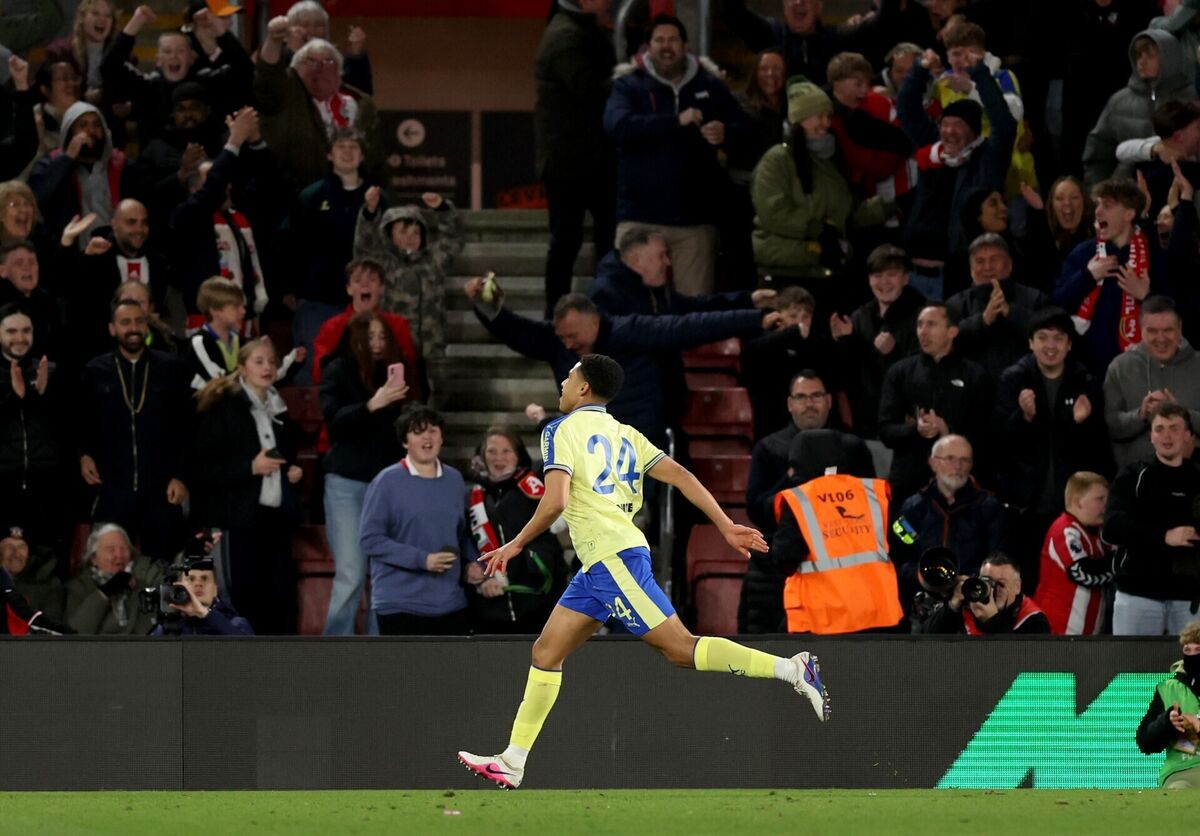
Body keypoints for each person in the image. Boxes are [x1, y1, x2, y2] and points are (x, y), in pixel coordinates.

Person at [457, 354, 829, 790]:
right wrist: (725, 524)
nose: (562, 382)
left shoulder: (559, 430)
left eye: (569, 377)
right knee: (546, 652)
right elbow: (683, 476)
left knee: (679, 649)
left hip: (613, 558)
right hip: (602, 562)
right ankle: (512, 761)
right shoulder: (626, 433)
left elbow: (555, 500)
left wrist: (516, 543)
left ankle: (792, 669)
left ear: (583, 389)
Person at [468, 280, 774, 449]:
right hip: (586, 448)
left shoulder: (630, 332)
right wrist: (485, 304)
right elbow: (516, 330)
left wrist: (755, 318)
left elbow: (690, 326)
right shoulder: (556, 341)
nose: (568, 345)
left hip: (635, 444)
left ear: (594, 321)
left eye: (573, 336)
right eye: (562, 338)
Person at [604, 14, 750, 295]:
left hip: (694, 222)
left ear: (684, 45)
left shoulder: (710, 85)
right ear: (648, 47)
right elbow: (617, 126)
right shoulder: (628, 85)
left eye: (672, 40)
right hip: (640, 216)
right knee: (630, 303)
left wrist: (725, 132)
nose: (666, 46)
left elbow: (746, 130)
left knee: (694, 313)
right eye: (659, 40)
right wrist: (675, 121)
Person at [191, 338, 303, 635]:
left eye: (272, 362)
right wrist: (250, 467)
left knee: (281, 599)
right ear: (241, 368)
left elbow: (286, 452)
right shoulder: (223, 409)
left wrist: (291, 469)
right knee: (245, 600)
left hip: (276, 518)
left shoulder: (278, 407)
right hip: (239, 519)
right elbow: (205, 470)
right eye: (259, 361)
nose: (268, 367)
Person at [750, 76, 888, 312]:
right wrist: (820, 231)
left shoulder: (831, 160)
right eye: (819, 115)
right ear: (799, 118)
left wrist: (887, 206)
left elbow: (847, 213)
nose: (826, 123)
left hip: (825, 270)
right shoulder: (776, 161)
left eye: (828, 115)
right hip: (785, 271)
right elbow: (775, 213)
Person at [995, 308, 1111, 582]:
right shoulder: (1013, 379)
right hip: (1024, 506)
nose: (1050, 346)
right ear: (1030, 342)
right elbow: (999, 441)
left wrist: (1080, 423)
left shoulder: (1086, 382)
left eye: (1058, 339)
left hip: (1072, 506)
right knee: (1026, 578)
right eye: (1043, 337)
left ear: (1069, 344)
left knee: (1068, 581)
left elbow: (1098, 449)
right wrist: (1024, 418)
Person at [319, 311, 415, 636]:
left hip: (387, 483)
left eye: (382, 337)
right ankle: (334, 655)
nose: (376, 344)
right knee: (351, 572)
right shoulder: (337, 369)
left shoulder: (394, 374)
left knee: (384, 572)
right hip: (347, 483)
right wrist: (371, 405)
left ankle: (379, 652)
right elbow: (333, 422)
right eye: (370, 337)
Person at [896, 47, 1017, 302]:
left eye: (957, 125)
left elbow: (1004, 124)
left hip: (957, 276)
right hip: (914, 272)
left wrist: (980, 75)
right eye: (945, 125)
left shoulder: (987, 159)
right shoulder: (932, 150)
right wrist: (920, 68)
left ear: (973, 132)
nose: (948, 132)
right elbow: (906, 110)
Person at [78, 298, 190, 562]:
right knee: (110, 564)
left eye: (139, 321)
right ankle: (116, 606)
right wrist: (83, 454)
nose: (133, 328)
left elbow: (187, 428)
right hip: (114, 487)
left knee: (165, 567)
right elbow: (83, 422)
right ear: (112, 328)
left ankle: (163, 606)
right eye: (125, 322)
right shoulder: (95, 370)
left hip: (162, 489)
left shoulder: (170, 368)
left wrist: (182, 476)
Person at [764, 428, 901, 634]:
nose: (791, 473)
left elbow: (785, 556)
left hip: (822, 620)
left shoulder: (799, 500)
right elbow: (905, 538)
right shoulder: (873, 492)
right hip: (878, 616)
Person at [359, 405, 477, 635]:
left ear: (441, 438)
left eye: (432, 430)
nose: (427, 437)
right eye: (417, 431)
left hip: (450, 602)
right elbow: (370, 540)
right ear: (405, 442)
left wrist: (474, 563)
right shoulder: (386, 482)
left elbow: (461, 533)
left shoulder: (454, 480)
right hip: (400, 604)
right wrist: (422, 560)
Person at [534, 0, 616, 318]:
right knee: (569, 242)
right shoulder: (566, 36)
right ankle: (557, 315)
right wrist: (623, 79)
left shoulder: (575, 30)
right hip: (571, 161)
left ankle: (587, 310)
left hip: (582, 158)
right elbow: (590, 91)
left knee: (587, 241)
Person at [877, 303, 992, 504]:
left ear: (952, 331)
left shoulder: (975, 375)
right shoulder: (900, 372)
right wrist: (915, 430)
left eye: (931, 324)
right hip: (908, 486)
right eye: (920, 325)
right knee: (902, 534)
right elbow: (885, 430)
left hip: (957, 489)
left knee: (953, 535)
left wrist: (947, 431)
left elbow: (985, 435)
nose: (923, 331)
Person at [254, 15, 382, 194]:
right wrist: (274, 40)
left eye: (329, 61)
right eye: (311, 61)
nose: (320, 67)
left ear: (339, 71)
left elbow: (378, 164)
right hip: (292, 196)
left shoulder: (360, 104)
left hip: (353, 195)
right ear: (294, 70)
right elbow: (268, 75)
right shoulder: (284, 96)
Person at [1104, 402, 1200, 635]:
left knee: (1191, 671)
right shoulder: (1132, 475)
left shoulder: (1198, 478)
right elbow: (1112, 528)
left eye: (1174, 428)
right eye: (1159, 429)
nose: (1166, 435)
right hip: (1138, 595)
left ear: (1188, 435)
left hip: (1188, 598)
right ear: (1151, 436)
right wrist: (1164, 536)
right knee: (1132, 670)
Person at [1054, 178, 1163, 377]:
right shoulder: (1084, 253)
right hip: (1089, 372)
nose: (1098, 212)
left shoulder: (1154, 254)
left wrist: (1145, 296)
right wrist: (1087, 277)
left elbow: (1177, 314)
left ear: (1129, 214)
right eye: (1097, 205)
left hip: (1143, 370)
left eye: (1107, 206)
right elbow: (1055, 306)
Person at [465, 426, 569, 634]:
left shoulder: (535, 486)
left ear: (518, 454)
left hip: (539, 601)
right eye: (492, 451)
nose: (498, 458)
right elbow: (468, 540)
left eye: (506, 451)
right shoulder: (473, 495)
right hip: (491, 606)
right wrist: (481, 576)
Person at [889, 434, 1008, 610]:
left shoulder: (989, 508)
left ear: (971, 465)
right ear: (933, 463)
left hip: (972, 603)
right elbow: (900, 557)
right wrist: (925, 576)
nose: (957, 466)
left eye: (964, 460)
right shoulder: (913, 508)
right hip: (924, 603)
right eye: (950, 459)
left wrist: (965, 582)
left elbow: (998, 559)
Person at [354, 185, 463, 358]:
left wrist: (442, 209)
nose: (410, 238)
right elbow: (363, 247)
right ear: (389, 234)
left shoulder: (434, 260)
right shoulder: (382, 263)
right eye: (403, 231)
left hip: (431, 351)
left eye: (416, 232)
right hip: (392, 349)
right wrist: (370, 213)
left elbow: (452, 239)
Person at [830, 244, 925, 438]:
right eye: (877, 275)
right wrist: (844, 342)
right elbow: (850, 374)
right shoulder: (860, 316)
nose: (884, 282)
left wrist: (894, 353)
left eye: (891, 275)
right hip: (864, 422)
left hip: (903, 424)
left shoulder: (922, 316)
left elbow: (924, 373)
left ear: (906, 278)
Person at [1084, 29, 1195, 187]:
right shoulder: (1119, 101)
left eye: (1149, 55)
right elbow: (1098, 155)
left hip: (1181, 190)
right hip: (1126, 196)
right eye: (1138, 55)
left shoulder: (1191, 100)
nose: (1141, 62)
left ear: (1169, 58)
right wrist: (1098, 193)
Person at [1104, 295, 1200, 469]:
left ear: (1180, 329)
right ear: (1141, 330)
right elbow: (1109, 425)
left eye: (1168, 330)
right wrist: (1140, 415)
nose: (1161, 338)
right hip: (1136, 484)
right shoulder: (1120, 367)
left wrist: (1182, 415)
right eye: (1153, 331)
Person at [0, 303, 63, 547]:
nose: (20, 338)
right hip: (4, 488)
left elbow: (64, 428)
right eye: (11, 331)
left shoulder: (50, 371)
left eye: (26, 331)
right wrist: (14, 398)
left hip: (45, 490)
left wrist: (41, 396)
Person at [744, 369, 834, 535]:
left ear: (829, 401)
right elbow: (755, 511)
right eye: (801, 397)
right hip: (784, 543)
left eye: (816, 396)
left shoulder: (851, 446)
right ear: (790, 404)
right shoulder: (768, 448)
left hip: (839, 541)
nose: (809, 404)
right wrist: (790, 477)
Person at [311, 258, 420, 390]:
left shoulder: (397, 324)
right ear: (349, 289)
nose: (365, 285)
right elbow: (319, 374)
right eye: (358, 281)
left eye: (372, 280)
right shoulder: (331, 327)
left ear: (381, 288)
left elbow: (409, 370)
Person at [1035, 471, 1114, 635]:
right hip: (1059, 634)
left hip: (1086, 638)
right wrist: (1120, 564)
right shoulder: (1065, 530)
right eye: (1100, 499)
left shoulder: (1098, 533)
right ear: (1078, 502)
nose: (1106, 505)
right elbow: (1082, 572)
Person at [64, 523, 165, 636]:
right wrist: (108, 589)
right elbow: (76, 631)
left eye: (124, 549)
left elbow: (148, 630)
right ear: (94, 559)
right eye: (110, 549)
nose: (119, 555)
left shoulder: (140, 587)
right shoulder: (78, 587)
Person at [1136, 619, 1200, 788]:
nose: (1192, 655)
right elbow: (1145, 743)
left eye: (1198, 650)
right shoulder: (1168, 689)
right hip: (1181, 771)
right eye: (1187, 650)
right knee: (1178, 790)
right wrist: (1166, 722)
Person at [920, 552, 1050, 634]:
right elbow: (927, 640)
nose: (992, 588)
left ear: (1017, 587)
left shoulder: (1033, 619)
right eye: (986, 581)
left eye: (1001, 583)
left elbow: (1024, 665)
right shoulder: (970, 602)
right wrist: (953, 605)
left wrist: (993, 621)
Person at [150, 555, 254, 636]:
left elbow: (251, 655)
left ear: (215, 590)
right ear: (179, 585)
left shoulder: (236, 624)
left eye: (204, 578)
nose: (198, 584)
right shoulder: (167, 628)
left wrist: (205, 614)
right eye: (191, 579)